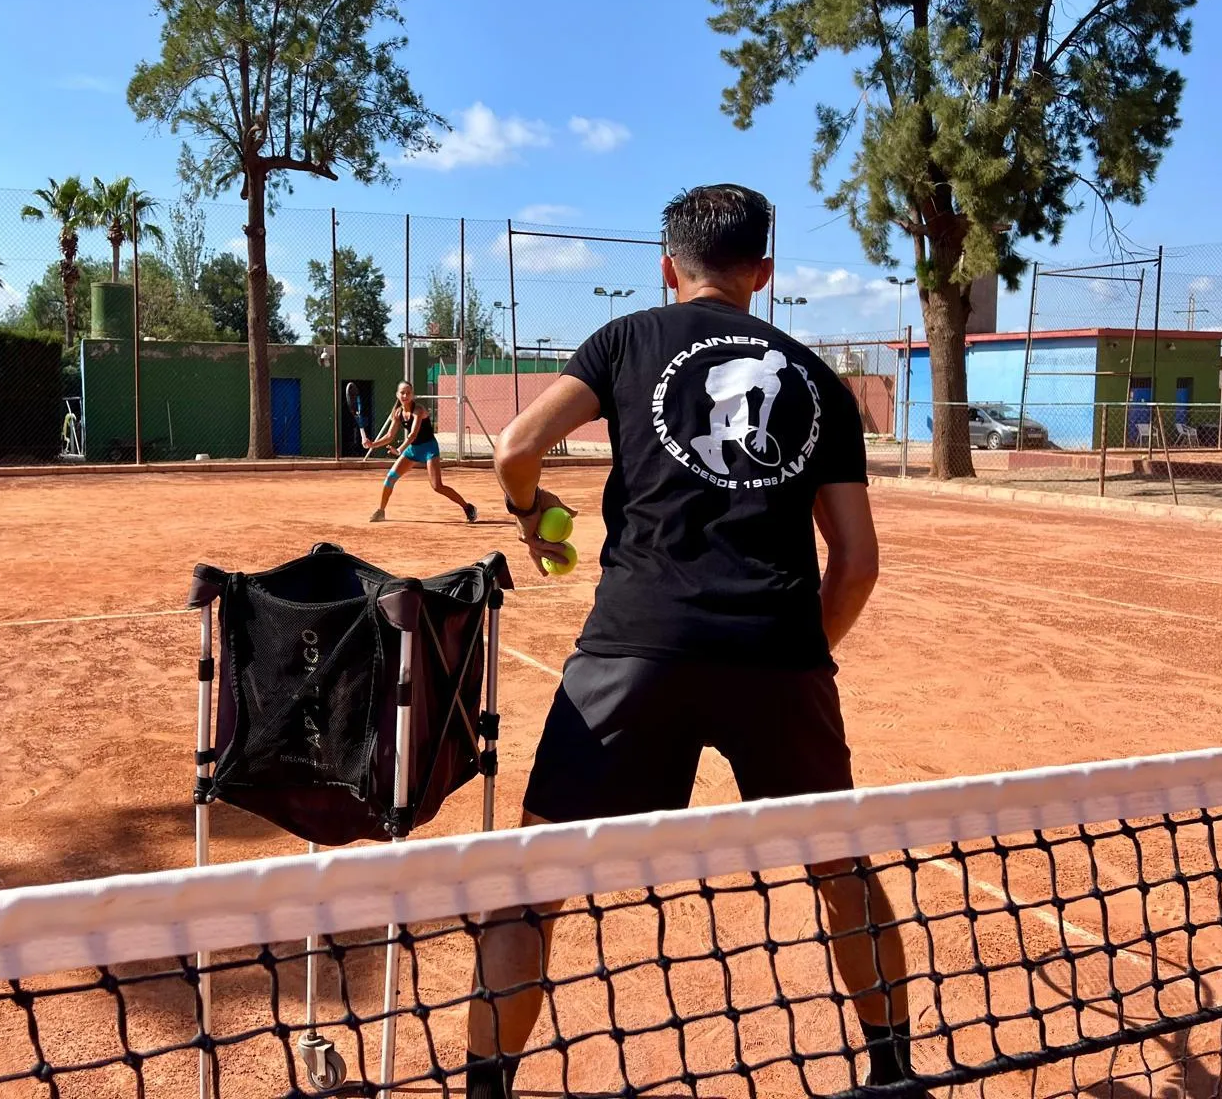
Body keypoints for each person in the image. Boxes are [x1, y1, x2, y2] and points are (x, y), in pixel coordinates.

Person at [465, 184, 920, 1098]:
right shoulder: (818, 380)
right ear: (765, 274)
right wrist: (793, 649)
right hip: (779, 654)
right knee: (841, 868)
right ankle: (893, 1074)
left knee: (530, 887)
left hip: (636, 645)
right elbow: (858, 564)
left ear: (667, 267)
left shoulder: (625, 339)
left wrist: (529, 511)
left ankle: (487, 1088)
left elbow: (516, 447)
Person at [363, 380, 478, 524]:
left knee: (437, 486)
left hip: (429, 449)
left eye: (408, 393)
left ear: (412, 395)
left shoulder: (419, 410)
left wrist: (399, 450)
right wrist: (372, 444)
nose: (405, 395)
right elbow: (389, 436)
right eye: (402, 393)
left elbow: (413, 434)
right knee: (390, 477)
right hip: (413, 450)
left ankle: (468, 507)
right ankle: (381, 511)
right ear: (397, 395)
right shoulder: (398, 413)